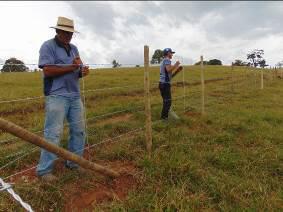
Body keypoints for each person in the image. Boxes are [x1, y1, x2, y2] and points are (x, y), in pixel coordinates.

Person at [36, 16, 89, 182]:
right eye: (66, 32)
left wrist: (82, 71)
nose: (69, 35)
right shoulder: (48, 46)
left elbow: (76, 71)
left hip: (74, 95)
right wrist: (71, 67)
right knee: (53, 133)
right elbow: (48, 71)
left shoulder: (74, 48)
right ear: (57, 31)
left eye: (71, 33)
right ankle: (44, 171)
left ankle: (74, 163)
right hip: (56, 95)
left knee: (79, 130)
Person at [159, 48, 183, 120]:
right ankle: (164, 118)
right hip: (165, 85)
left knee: (166, 101)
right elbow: (168, 69)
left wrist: (177, 70)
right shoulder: (167, 60)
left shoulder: (165, 61)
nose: (172, 54)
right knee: (168, 102)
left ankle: (165, 116)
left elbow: (169, 76)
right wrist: (176, 65)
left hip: (163, 84)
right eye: (171, 53)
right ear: (168, 53)